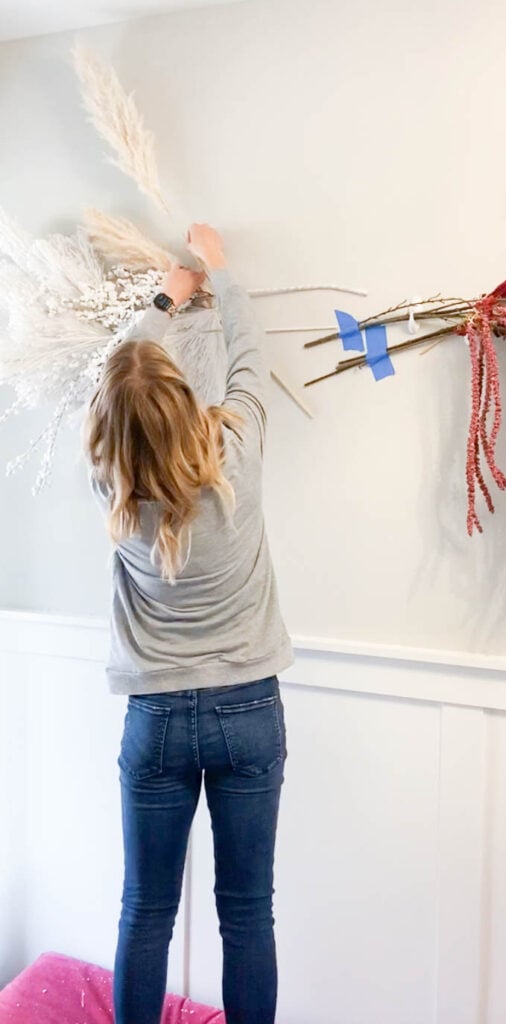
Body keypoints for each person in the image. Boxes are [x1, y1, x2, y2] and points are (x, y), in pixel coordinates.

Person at [84, 223, 293, 1024]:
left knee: (145, 912)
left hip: (157, 720)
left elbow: (118, 380)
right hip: (248, 712)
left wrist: (162, 299)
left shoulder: (107, 482)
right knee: (247, 917)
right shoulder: (236, 445)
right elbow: (248, 357)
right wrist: (217, 275)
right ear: (186, 402)